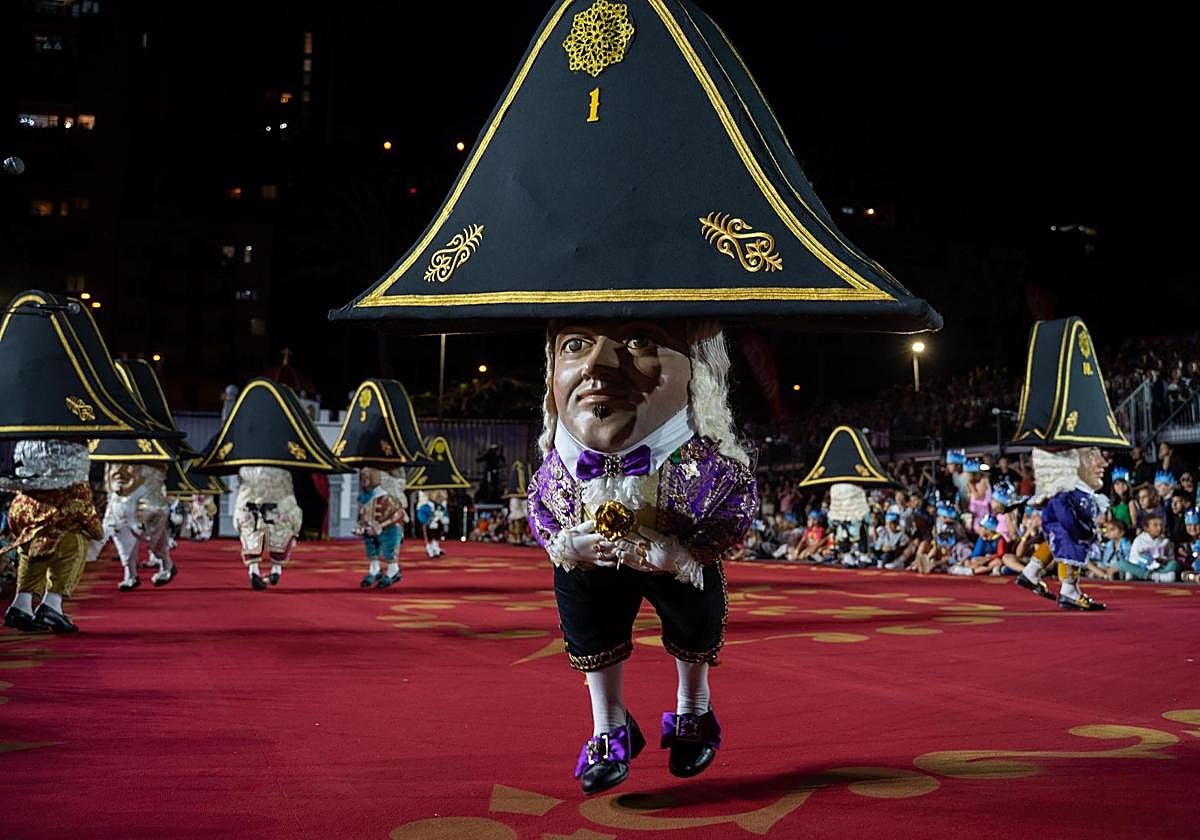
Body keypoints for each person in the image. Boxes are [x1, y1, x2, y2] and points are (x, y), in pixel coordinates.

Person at [1012, 317, 1130, 610]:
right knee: (1071, 542)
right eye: (1094, 456)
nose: (1102, 463)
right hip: (1063, 494)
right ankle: (1069, 591)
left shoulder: (1050, 427)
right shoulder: (1067, 477)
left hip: (1057, 489)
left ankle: (1032, 572)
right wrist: (1083, 527)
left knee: (1058, 539)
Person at [2, 440, 103, 633]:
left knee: (30, 557)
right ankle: (52, 604)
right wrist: (97, 532)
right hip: (60, 537)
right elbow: (85, 512)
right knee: (77, 544)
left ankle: (21, 605)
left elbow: (14, 516)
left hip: (29, 533)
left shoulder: (26, 491)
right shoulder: (74, 485)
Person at [100, 463, 177, 590]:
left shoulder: (150, 489)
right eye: (115, 465)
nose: (120, 471)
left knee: (155, 542)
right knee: (123, 543)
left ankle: (166, 565)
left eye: (129, 465)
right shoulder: (115, 492)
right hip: (120, 512)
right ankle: (130, 575)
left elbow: (157, 512)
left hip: (147, 512)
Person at [354, 467, 406, 588]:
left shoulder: (388, 495)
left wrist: (381, 525)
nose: (364, 478)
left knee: (389, 550)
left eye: (368, 475)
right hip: (371, 528)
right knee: (371, 548)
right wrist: (361, 524)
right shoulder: (366, 497)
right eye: (363, 475)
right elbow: (364, 513)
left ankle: (393, 571)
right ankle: (375, 569)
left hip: (389, 528)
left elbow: (398, 513)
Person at [1124, 514, 1179, 582]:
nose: (1159, 528)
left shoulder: (1166, 541)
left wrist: (1163, 560)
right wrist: (1146, 561)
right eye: (1155, 525)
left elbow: (1171, 558)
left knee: (1173, 568)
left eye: (1161, 525)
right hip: (1142, 568)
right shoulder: (1139, 540)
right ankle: (1149, 575)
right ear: (1146, 528)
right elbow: (1133, 558)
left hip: (1159, 568)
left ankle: (1153, 576)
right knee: (1123, 564)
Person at [416, 490, 449, 558]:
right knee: (429, 535)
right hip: (429, 523)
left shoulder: (440, 505)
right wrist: (427, 521)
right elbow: (421, 514)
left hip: (438, 522)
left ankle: (436, 547)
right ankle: (429, 548)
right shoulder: (426, 506)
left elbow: (444, 512)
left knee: (437, 534)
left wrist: (444, 517)